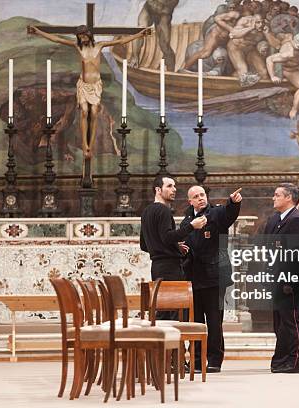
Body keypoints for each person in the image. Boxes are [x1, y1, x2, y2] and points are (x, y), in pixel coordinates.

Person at [27, 25, 151, 162]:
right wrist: (38, 32)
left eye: (84, 36)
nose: (82, 39)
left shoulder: (100, 46)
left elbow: (121, 41)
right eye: (80, 37)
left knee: (94, 114)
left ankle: (89, 145)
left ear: (89, 35)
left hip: (95, 86)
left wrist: (140, 35)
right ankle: (85, 145)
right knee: (84, 112)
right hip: (84, 85)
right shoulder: (78, 47)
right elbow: (57, 39)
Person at [180, 186, 243, 373]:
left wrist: (233, 203)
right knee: (196, 322)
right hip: (194, 278)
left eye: (202, 195)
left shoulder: (215, 213)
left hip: (214, 277)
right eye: (196, 197)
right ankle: (197, 361)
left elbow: (229, 214)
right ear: (189, 201)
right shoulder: (187, 220)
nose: (200, 198)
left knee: (214, 321)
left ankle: (215, 360)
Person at [140, 176, 207, 317]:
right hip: (170, 269)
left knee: (163, 311)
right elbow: (167, 236)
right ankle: (174, 340)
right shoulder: (163, 210)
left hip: (157, 268)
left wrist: (175, 247)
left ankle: (162, 339)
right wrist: (191, 226)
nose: (174, 189)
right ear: (158, 190)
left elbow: (144, 245)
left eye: (174, 186)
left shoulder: (146, 212)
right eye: (169, 186)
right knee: (176, 313)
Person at [263, 183, 299, 373]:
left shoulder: (298, 220)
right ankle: (282, 359)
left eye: (277, 195)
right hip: (276, 278)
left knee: (291, 321)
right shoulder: (276, 219)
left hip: (290, 281)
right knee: (280, 323)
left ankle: (298, 360)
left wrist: (290, 280)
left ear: (289, 198)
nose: (273, 198)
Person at [266, 32, 299, 119]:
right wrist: (272, 76)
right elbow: (269, 59)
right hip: (292, 71)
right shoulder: (288, 53)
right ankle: (294, 110)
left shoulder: (292, 40)